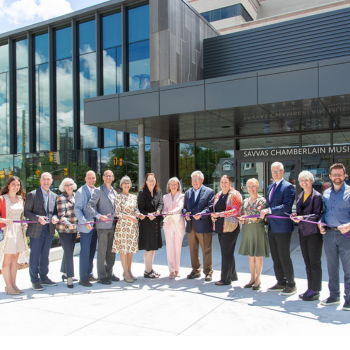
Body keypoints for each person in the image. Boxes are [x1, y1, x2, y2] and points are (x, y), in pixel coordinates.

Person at [260, 162, 296, 295]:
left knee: (284, 256)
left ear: (283, 171)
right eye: (273, 171)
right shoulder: (270, 187)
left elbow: (286, 207)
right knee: (275, 256)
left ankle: (291, 284)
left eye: (277, 171)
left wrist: (269, 210)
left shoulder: (289, 187)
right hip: (272, 227)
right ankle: (281, 282)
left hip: (283, 228)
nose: (275, 173)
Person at [318, 163, 350, 311]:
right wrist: (320, 222)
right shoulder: (326, 193)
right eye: (334, 175)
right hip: (329, 234)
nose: (337, 177)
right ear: (330, 176)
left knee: (348, 268)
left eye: (340, 174)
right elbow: (324, 212)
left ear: (345, 176)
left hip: (346, 235)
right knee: (332, 266)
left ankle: (349, 298)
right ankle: (334, 295)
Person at [24, 172, 59, 291]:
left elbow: (55, 212)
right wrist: (38, 218)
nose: (46, 182)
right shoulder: (32, 195)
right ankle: (35, 280)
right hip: (36, 230)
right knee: (35, 255)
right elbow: (27, 212)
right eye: (44, 179)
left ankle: (44, 277)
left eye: (48, 180)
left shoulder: (54, 196)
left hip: (49, 230)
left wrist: (55, 217)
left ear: (51, 181)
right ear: (40, 180)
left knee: (45, 255)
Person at [291, 171, 323, 301]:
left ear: (311, 181)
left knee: (314, 262)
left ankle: (315, 290)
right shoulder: (300, 195)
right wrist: (294, 216)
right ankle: (310, 288)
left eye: (306, 180)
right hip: (303, 233)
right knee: (307, 262)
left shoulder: (317, 196)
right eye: (301, 181)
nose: (304, 182)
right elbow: (299, 212)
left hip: (313, 234)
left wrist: (302, 217)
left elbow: (317, 215)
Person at [87, 170, 119, 285]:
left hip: (113, 226)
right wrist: (99, 216)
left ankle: (109, 272)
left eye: (110, 176)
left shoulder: (114, 192)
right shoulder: (98, 191)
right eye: (106, 176)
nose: (108, 178)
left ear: (113, 178)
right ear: (103, 177)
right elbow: (89, 206)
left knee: (111, 251)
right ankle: (101, 276)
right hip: (102, 226)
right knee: (102, 252)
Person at [183, 171, 214, 281]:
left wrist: (201, 214)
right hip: (191, 225)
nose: (194, 182)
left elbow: (210, 207)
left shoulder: (209, 192)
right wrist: (186, 213)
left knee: (206, 249)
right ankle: (195, 270)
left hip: (203, 225)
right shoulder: (188, 193)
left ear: (202, 180)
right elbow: (185, 207)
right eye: (193, 180)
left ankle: (208, 271)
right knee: (193, 249)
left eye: (197, 180)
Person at [0, 177, 29, 295]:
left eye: (18, 185)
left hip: (18, 232)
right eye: (13, 184)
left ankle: (14, 284)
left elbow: (21, 216)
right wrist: (4, 220)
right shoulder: (2, 199)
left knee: (15, 259)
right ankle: (8, 286)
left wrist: (24, 222)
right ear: (8, 185)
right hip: (8, 231)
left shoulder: (21, 199)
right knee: (7, 259)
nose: (16, 187)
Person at [238, 178, 269, 290]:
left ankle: (258, 279)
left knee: (258, 256)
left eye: (253, 186)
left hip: (258, 229)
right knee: (250, 256)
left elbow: (261, 217)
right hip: (248, 230)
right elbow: (243, 216)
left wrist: (248, 219)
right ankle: (252, 278)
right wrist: (241, 220)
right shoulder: (245, 201)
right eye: (249, 186)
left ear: (257, 187)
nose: (251, 188)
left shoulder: (262, 201)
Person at [112, 176, 144, 283]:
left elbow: (136, 209)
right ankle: (125, 273)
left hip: (132, 227)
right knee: (124, 251)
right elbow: (117, 213)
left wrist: (139, 215)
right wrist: (130, 217)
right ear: (121, 185)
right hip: (123, 227)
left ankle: (129, 272)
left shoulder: (133, 197)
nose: (126, 184)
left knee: (130, 251)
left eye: (128, 182)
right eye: (124, 183)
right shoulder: (118, 197)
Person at [211, 175, 242, 286]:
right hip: (220, 226)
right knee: (227, 252)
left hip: (231, 227)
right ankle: (233, 275)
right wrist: (213, 216)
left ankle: (225, 279)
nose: (223, 184)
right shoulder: (218, 195)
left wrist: (221, 214)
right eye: (222, 182)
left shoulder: (235, 194)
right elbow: (214, 209)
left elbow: (236, 211)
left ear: (230, 183)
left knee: (226, 253)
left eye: (226, 182)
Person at [74, 170, 98, 287]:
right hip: (85, 228)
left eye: (93, 178)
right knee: (85, 252)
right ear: (85, 179)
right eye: (89, 178)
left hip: (96, 227)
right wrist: (84, 222)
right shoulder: (80, 191)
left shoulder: (97, 190)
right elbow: (77, 209)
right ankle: (83, 278)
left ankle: (89, 273)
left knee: (92, 251)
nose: (91, 180)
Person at [138, 173, 163, 278]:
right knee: (148, 248)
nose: (152, 182)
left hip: (156, 223)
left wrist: (158, 211)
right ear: (146, 181)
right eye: (150, 180)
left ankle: (151, 269)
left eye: (153, 180)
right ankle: (147, 271)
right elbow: (140, 208)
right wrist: (148, 215)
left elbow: (161, 203)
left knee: (153, 248)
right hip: (147, 224)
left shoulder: (159, 191)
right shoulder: (142, 193)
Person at [56, 178, 78, 289]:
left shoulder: (76, 196)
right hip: (64, 229)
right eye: (66, 185)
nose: (69, 186)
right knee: (69, 252)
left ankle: (64, 273)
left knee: (69, 251)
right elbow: (61, 215)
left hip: (74, 229)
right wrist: (68, 223)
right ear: (63, 187)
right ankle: (69, 277)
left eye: (70, 184)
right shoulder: (61, 197)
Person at [162, 177, 185, 279]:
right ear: (169, 186)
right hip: (168, 224)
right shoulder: (165, 197)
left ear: (178, 185)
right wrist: (165, 213)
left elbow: (180, 207)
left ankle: (177, 269)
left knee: (177, 247)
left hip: (178, 224)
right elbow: (164, 209)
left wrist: (172, 212)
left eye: (175, 184)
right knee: (170, 247)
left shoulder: (182, 196)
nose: (173, 186)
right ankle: (171, 270)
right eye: (171, 184)